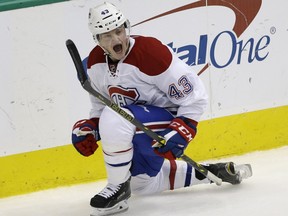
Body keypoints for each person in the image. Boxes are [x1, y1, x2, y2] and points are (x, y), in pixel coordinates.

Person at [71, 2, 251, 216]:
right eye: (107, 36)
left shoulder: (151, 53)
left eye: (119, 31)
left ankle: (116, 189)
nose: (117, 40)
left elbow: (195, 96)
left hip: (167, 123)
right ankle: (210, 172)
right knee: (142, 185)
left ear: (126, 27)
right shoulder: (95, 63)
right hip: (133, 126)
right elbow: (101, 105)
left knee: (115, 116)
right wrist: (91, 128)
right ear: (97, 40)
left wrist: (182, 130)